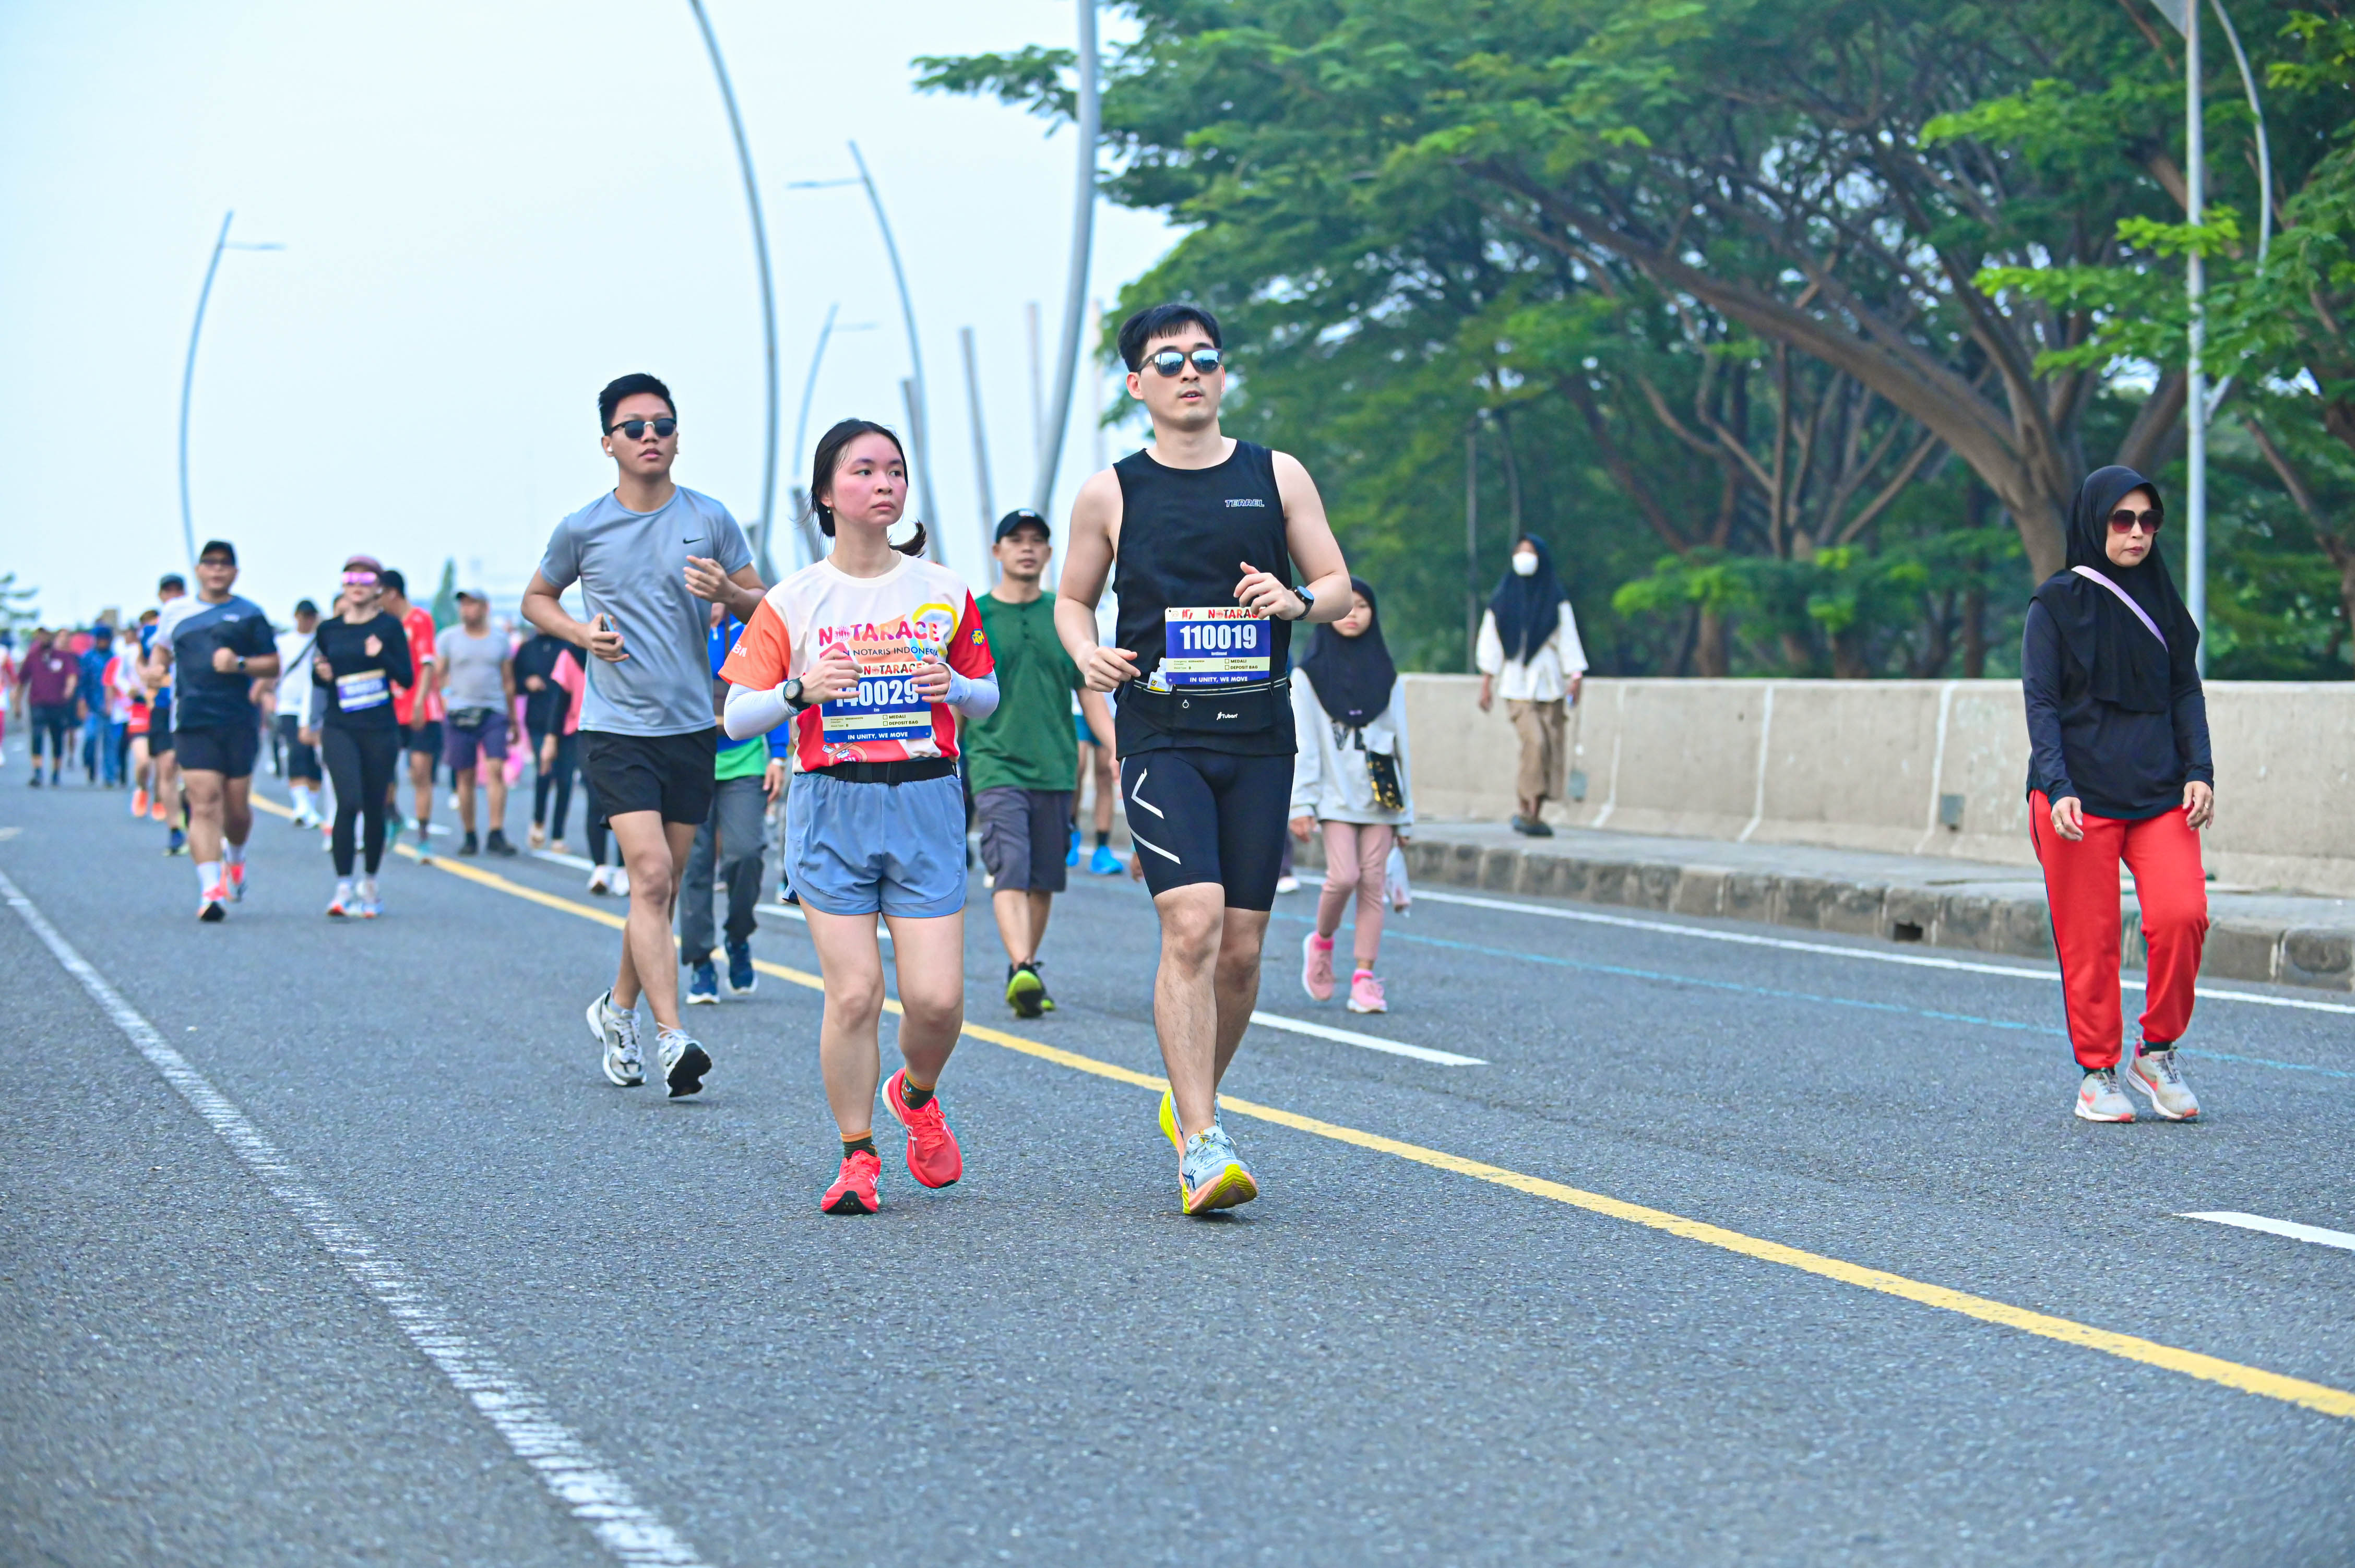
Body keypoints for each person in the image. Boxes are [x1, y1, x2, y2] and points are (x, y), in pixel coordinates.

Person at [1054, 302, 1352, 1215]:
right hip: (1162, 732)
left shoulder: (1276, 474)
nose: (1190, 372)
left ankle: (1190, 1100)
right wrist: (1086, 653)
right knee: (1192, 924)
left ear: (1222, 374)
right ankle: (1202, 1139)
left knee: (1243, 950)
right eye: (1169, 360)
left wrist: (1297, 601)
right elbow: (1072, 600)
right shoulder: (1111, 492)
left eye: (1206, 358)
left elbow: (1339, 586)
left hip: (1258, 734)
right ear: (1137, 384)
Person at [721, 417, 997, 1215]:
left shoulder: (943, 590)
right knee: (854, 995)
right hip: (831, 803)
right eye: (864, 470)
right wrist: (799, 691)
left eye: (894, 471)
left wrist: (954, 686)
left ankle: (915, 1095)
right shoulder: (794, 599)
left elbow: (986, 696)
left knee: (937, 1001)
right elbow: (737, 716)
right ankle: (857, 1156)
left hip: (926, 799)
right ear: (826, 494)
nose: (884, 484)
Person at [521, 372, 765, 1098]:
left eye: (662, 424)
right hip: (616, 729)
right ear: (609, 443)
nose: (650, 436)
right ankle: (672, 1036)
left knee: (657, 891)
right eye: (634, 427)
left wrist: (730, 594)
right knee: (652, 877)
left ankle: (616, 1008)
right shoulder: (584, 527)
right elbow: (537, 598)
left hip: (691, 727)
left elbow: (767, 609)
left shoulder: (710, 517)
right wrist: (579, 633)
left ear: (678, 437)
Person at [2024, 466, 2213, 1125]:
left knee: (2183, 915)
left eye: (2149, 520)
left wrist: (2201, 770)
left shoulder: (2162, 600)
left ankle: (2155, 1053)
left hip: (2159, 791)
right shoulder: (2054, 604)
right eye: (2123, 519)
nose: (2138, 532)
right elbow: (2042, 704)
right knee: (2092, 940)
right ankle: (2097, 1071)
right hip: (2078, 798)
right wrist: (2056, 786)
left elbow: (2185, 690)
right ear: (2094, 521)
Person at [966, 508, 1116, 1018]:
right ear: (997, 551)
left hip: (1056, 765)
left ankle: (1025, 971)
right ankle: (1023, 965)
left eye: (1036, 540)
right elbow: (958, 696)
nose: (1027, 548)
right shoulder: (975, 616)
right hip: (994, 762)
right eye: (1016, 539)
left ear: (1050, 553)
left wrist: (1117, 748)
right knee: (1010, 863)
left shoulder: (1066, 616)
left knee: (1044, 876)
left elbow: (1090, 692)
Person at [1290, 577, 1414, 1015]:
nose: (1353, 614)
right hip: (1334, 798)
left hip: (1381, 800)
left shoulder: (1388, 677)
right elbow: (1305, 745)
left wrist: (1407, 816)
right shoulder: (1308, 677)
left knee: (1373, 884)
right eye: (1345, 605)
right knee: (1343, 877)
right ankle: (1322, 942)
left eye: (1362, 606)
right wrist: (1302, 804)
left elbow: (1402, 747)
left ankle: (1364, 978)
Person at [150, 540, 280, 920]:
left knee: (236, 809)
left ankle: (235, 858)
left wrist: (240, 664)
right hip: (192, 719)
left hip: (237, 720)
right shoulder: (176, 612)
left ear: (235, 572)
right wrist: (155, 669)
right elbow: (161, 650)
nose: (217, 569)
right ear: (198, 570)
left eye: (225, 563)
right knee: (203, 801)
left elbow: (273, 664)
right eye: (210, 563)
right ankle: (211, 890)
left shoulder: (250, 614)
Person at [681, 605, 793, 1003]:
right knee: (694, 864)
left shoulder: (746, 630)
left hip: (744, 759)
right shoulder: (680, 627)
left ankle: (738, 936)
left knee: (746, 853)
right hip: (689, 760)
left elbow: (772, 689)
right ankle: (701, 963)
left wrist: (778, 755)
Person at [302, 557, 414, 918]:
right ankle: (342, 888)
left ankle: (370, 884)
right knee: (347, 801)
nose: (357, 584)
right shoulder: (329, 629)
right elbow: (321, 677)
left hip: (380, 728)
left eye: (366, 579)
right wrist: (321, 674)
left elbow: (407, 677)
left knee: (374, 806)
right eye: (350, 578)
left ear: (378, 587)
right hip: (340, 727)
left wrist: (382, 656)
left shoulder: (389, 627)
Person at [1476, 534, 1587, 837]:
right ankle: (1526, 806)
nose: (1524, 557)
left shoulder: (1555, 598)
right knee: (1534, 742)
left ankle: (1535, 811)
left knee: (1550, 745)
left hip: (1550, 684)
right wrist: (1487, 681)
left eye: (1531, 552)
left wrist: (1575, 676)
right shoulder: (1503, 597)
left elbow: (1568, 638)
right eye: (1520, 551)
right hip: (1517, 685)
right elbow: (1491, 641)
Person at [438, 586, 519, 857]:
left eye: (472, 604)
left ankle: (496, 831)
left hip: (493, 712)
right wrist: (445, 702)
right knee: (465, 774)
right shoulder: (449, 638)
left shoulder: (500, 640)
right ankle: (470, 833)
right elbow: (439, 674)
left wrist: (513, 720)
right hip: (460, 712)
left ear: (485, 608)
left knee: (496, 769)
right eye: (463, 604)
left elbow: (508, 681)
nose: (467, 610)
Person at [377, 568, 443, 861]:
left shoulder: (420, 620)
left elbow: (428, 664)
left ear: (392, 593)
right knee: (383, 771)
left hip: (420, 708)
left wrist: (419, 702)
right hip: (391, 708)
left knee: (420, 772)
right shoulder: (384, 625)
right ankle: (393, 815)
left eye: (380, 595)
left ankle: (424, 839)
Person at [516, 620, 584, 852]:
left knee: (565, 779)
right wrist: (526, 682)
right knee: (545, 772)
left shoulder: (568, 648)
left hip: (568, 722)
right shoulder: (527, 648)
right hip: (538, 721)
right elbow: (515, 681)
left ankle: (558, 834)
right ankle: (538, 822)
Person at [144, 575, 188, 851]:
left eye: (177, 591)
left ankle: (194, 815)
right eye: (167, 591)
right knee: (167, 766)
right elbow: (142, 665)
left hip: (188, 704)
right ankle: (175, 828)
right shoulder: (150, 632)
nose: (172, 596)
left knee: (192, 770)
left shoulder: (196, 623)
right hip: (161, 705)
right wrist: (150, 676)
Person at [274, 599, 325, 827]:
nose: (307, 621)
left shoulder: (321, 642)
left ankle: (310, 805)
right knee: (297, 751)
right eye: (304, 616)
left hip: (314, 706)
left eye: (311, 617)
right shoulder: (283, 642)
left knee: (315, 756)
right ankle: (300, 804)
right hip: (289, 705)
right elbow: (275, 671)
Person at [20, 628, 77, 787]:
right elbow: (22, 680)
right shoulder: (33, 656)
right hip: (38, 703)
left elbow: (72, 675)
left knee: (57, 738)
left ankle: (56, 772)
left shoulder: (63, 656)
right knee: (37, 736)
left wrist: (69, 690)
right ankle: (38, 772)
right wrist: (17, 701)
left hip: (57, 704)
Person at [77, 624, 123, 787]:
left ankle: (109, 776)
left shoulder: (115, 658)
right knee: (90, 738)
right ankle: (90, 765)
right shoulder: (88, 658)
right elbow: (82, 682)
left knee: (111, 743)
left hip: (112, 707)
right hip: (93, 706)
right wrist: (82, 702)